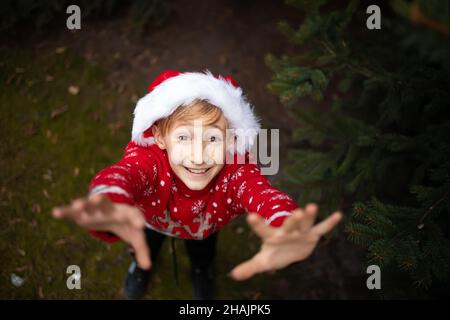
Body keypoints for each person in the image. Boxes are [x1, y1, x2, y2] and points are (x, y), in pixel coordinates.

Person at [52, 70, 342, 299]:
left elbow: (261, 193)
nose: (199, 155)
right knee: (144, 246)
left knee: (203, 253)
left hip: (204, 229)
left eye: (213, 138)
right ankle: (142, 267)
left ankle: (201, 271)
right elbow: (125, 174)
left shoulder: (236, 168)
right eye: (184, 137)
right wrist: (109, 199)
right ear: (161, 138)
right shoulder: (148, 158)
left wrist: (285, 223)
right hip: (152, 222)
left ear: (230, 140)